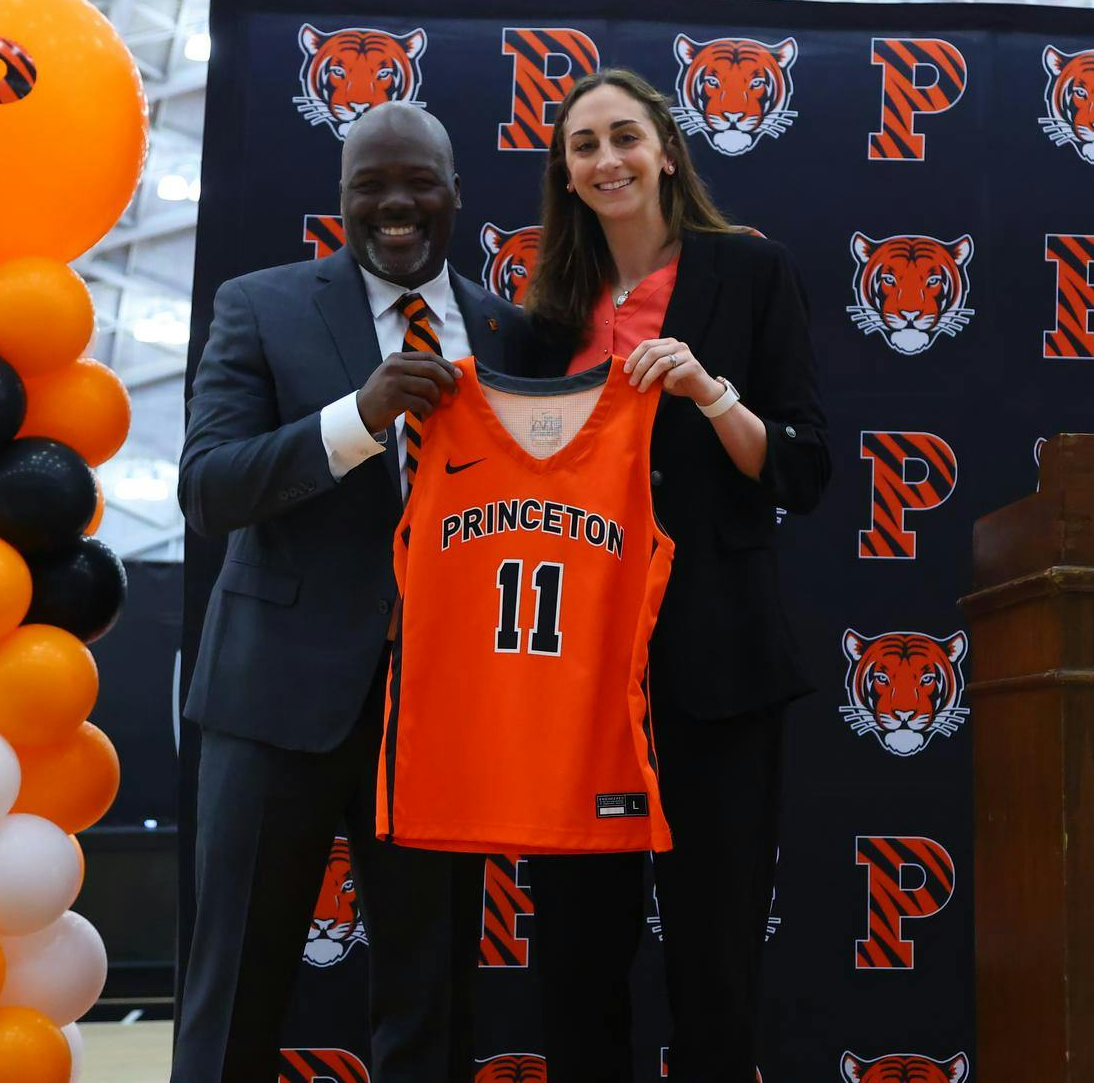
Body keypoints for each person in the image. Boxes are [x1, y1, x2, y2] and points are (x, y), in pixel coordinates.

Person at [174, 103, 546, 1082]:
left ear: (455, 193)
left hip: (444, 712)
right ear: (340, 200)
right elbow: (208, 487)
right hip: (275, 701)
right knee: (234, 987)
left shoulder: (513, 330)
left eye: (417, 180)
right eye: (368, 184)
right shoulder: (261, 304)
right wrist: (358, 417)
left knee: (431, 997)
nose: (394, 204)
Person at [519, 69, 830, 1081]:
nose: (605, 160)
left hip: (718, 661)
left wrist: (709, 393)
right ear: (564, 175)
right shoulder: (543, 312)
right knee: (572, 956)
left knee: (715, 953)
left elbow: (803, 467)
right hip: (572, 676)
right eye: (582, 147)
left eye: (622, 138)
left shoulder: (750, 275)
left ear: (664, 152)